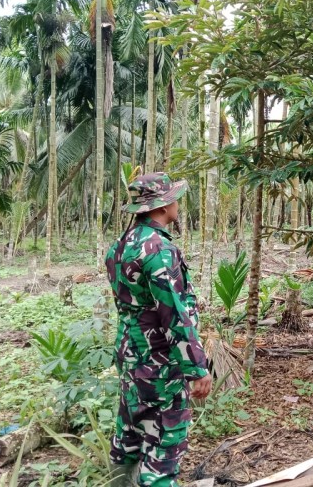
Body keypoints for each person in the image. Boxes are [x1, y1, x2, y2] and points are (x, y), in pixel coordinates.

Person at [106, 172, 212, 487]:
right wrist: (197, 367)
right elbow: (175, 315)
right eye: (174, 198)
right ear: (163, 205)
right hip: (159, 363)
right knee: (164, 443)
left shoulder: (120, 245)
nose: (177, 204)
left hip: (130, 355)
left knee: (128, 433)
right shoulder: (159, 250)